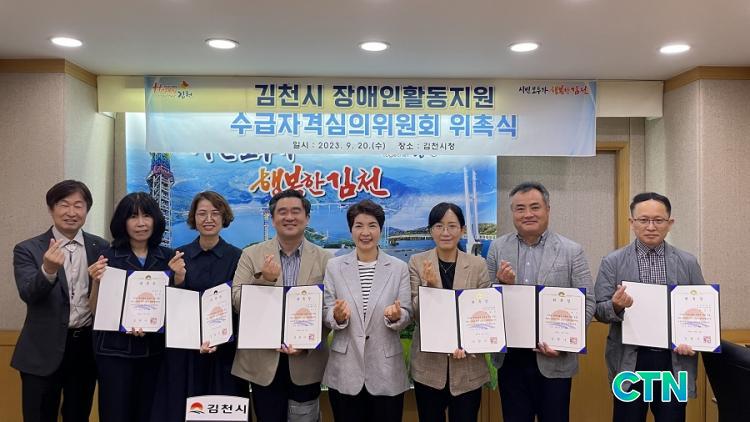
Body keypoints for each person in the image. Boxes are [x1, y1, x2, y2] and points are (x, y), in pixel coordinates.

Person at [486, 181, 595, 422]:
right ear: (512, 212)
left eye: (534, 207)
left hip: (554, 358)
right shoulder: (497, 247)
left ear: (547, 209)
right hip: (511, 359)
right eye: (520, 208)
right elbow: (486, 298)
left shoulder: (571, 250)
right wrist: (501, 283)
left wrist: (565, 343)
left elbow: (587, 301)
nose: (527, 214)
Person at [595, 192, 704, 422]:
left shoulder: (688, 262)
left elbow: (701, 310)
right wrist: (616, 306)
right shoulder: (612, 262)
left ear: (670, 223)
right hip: (630, 361)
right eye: (644, 220)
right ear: (632, 222)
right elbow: (599, 310)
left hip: (673, 361)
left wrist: (694, 340)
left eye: (658, 220)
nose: (651, 227)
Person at [231, 189, 332, 422]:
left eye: (296, 211)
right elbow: (236, 301)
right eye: (282, 212)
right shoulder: (251, 254)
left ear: (307, 218)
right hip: (262, 362)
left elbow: (329, 309)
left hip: (307, 360)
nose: (289, 217)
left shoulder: (325, 259)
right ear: (272, 217)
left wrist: (307, 344)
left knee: (305, 417)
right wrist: (265, 280)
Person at [11, 180, 108, 422]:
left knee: (78, 415)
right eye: (64, 205)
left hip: (85, 349)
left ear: (87, 210)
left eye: (78, 205)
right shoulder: (28, 249)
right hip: (41, 351)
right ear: (51, 208)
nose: (71, 212)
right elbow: (28, 294)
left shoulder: (101, 247)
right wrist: (48, 270)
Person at [87, 192, 186, 422]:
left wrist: (179, 279)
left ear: (155, 220)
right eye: (133, 217)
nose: (141, 223)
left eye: (146, 216)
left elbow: (178, 310)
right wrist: (97, 282)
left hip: (155, 352)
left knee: (151, 413)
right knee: (116, 413)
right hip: (114, 353)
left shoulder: (168, 257)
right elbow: (94, 310)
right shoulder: (107, 257)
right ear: (122, 222)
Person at [150, 191, 248, 421]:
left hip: (223, 350)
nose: (208, 219)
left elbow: (239, 303)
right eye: (202, 213)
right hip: (185, 352)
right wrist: (178, 278)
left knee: (223, 411)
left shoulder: (238, 257)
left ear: (224, 217)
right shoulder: (178, 256)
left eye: (215, 213)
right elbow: (170, 306)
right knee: (184, 408)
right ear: (193, 218)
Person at [322, 199, 412, 422]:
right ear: (351, 230)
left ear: (380, 229)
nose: (365, 232)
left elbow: (407, 313)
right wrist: (336, 316)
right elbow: (326, 311)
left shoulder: (398, 267)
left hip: (386, 370)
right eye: (359, 225)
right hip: (345, 369)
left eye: (372, 225)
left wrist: (397, 316)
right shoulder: (334, 266)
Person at [409, 202, 492, 422]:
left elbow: (485, 313)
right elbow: (415, 315)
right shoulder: (417, 262)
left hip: (468, 366)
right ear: (431, 231)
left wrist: (470, 343)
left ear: (462, 230)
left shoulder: (478, 265)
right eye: (439, 226)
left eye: (452, 226)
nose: (445, 232)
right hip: (428, 367)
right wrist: (429, 287)